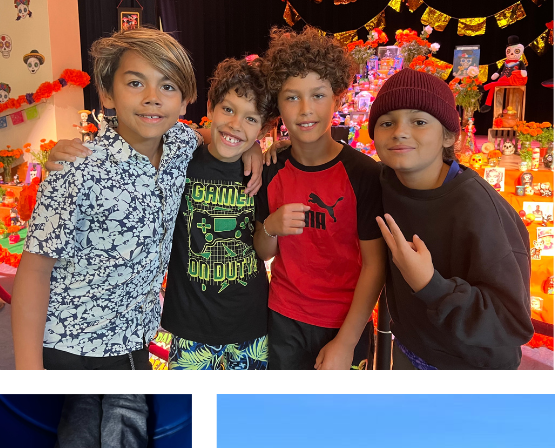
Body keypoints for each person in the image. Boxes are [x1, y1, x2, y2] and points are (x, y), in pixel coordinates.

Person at [12, 27, 201, 369]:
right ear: (107, 94)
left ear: (185, 100)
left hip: (137, 339)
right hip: (75, 347)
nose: (152, 97)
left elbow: (210, 137)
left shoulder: (181, 144)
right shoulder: (77, 168)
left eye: (168, 86)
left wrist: (254, 152)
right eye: (135, 83)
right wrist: (29, 373)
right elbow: (35, 270)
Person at [370, 69, 534, 369]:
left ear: (448, 135)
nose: (399, 132)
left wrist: (429, 284)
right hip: (409, 348)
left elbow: (512, 322)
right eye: (386, 122)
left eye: (419, 121)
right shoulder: (385, 180)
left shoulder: (480, 210)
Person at [253, 28, 387, 369]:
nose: (305, 110)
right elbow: (262, 250)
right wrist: (270, 227)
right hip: (283, 318)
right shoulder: (272, 169)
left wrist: (346, 340)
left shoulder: (363, 175)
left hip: (345, 323)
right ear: (277, 103)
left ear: (338, 100)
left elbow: (375, 264)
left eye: (318, 95)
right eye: (292, 97)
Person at [162, 57, 273, 370]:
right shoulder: (181, 162)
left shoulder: (263, 172)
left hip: (251, 324)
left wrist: (254, 149)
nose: (236, 124)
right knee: (189, 415)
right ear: (210, 107)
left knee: (246, 417)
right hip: (190, 326)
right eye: (228, 109)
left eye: (251, 119)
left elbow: (264, 247)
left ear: (263, 128)